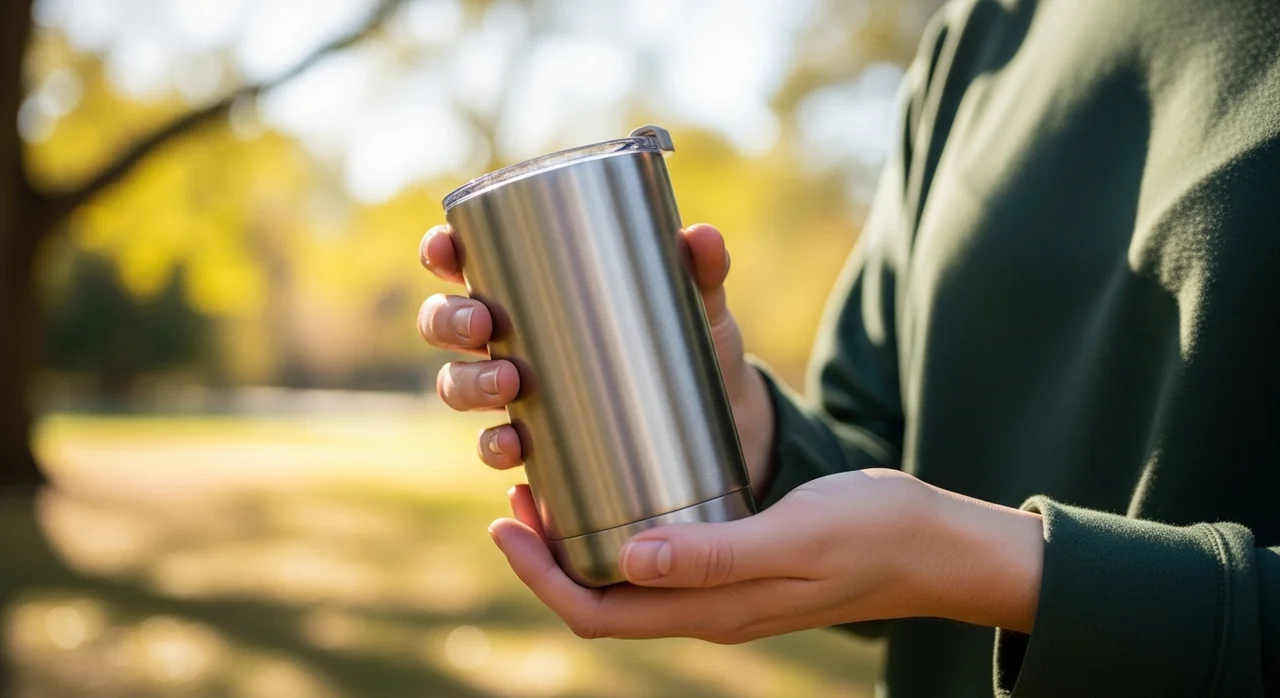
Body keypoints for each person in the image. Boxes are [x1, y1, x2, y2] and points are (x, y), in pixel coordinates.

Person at [416, 0, 1280, 694]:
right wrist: (737, 432)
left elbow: (925, 543)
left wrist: (998, 569)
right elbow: (886, 457)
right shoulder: (984, 34)